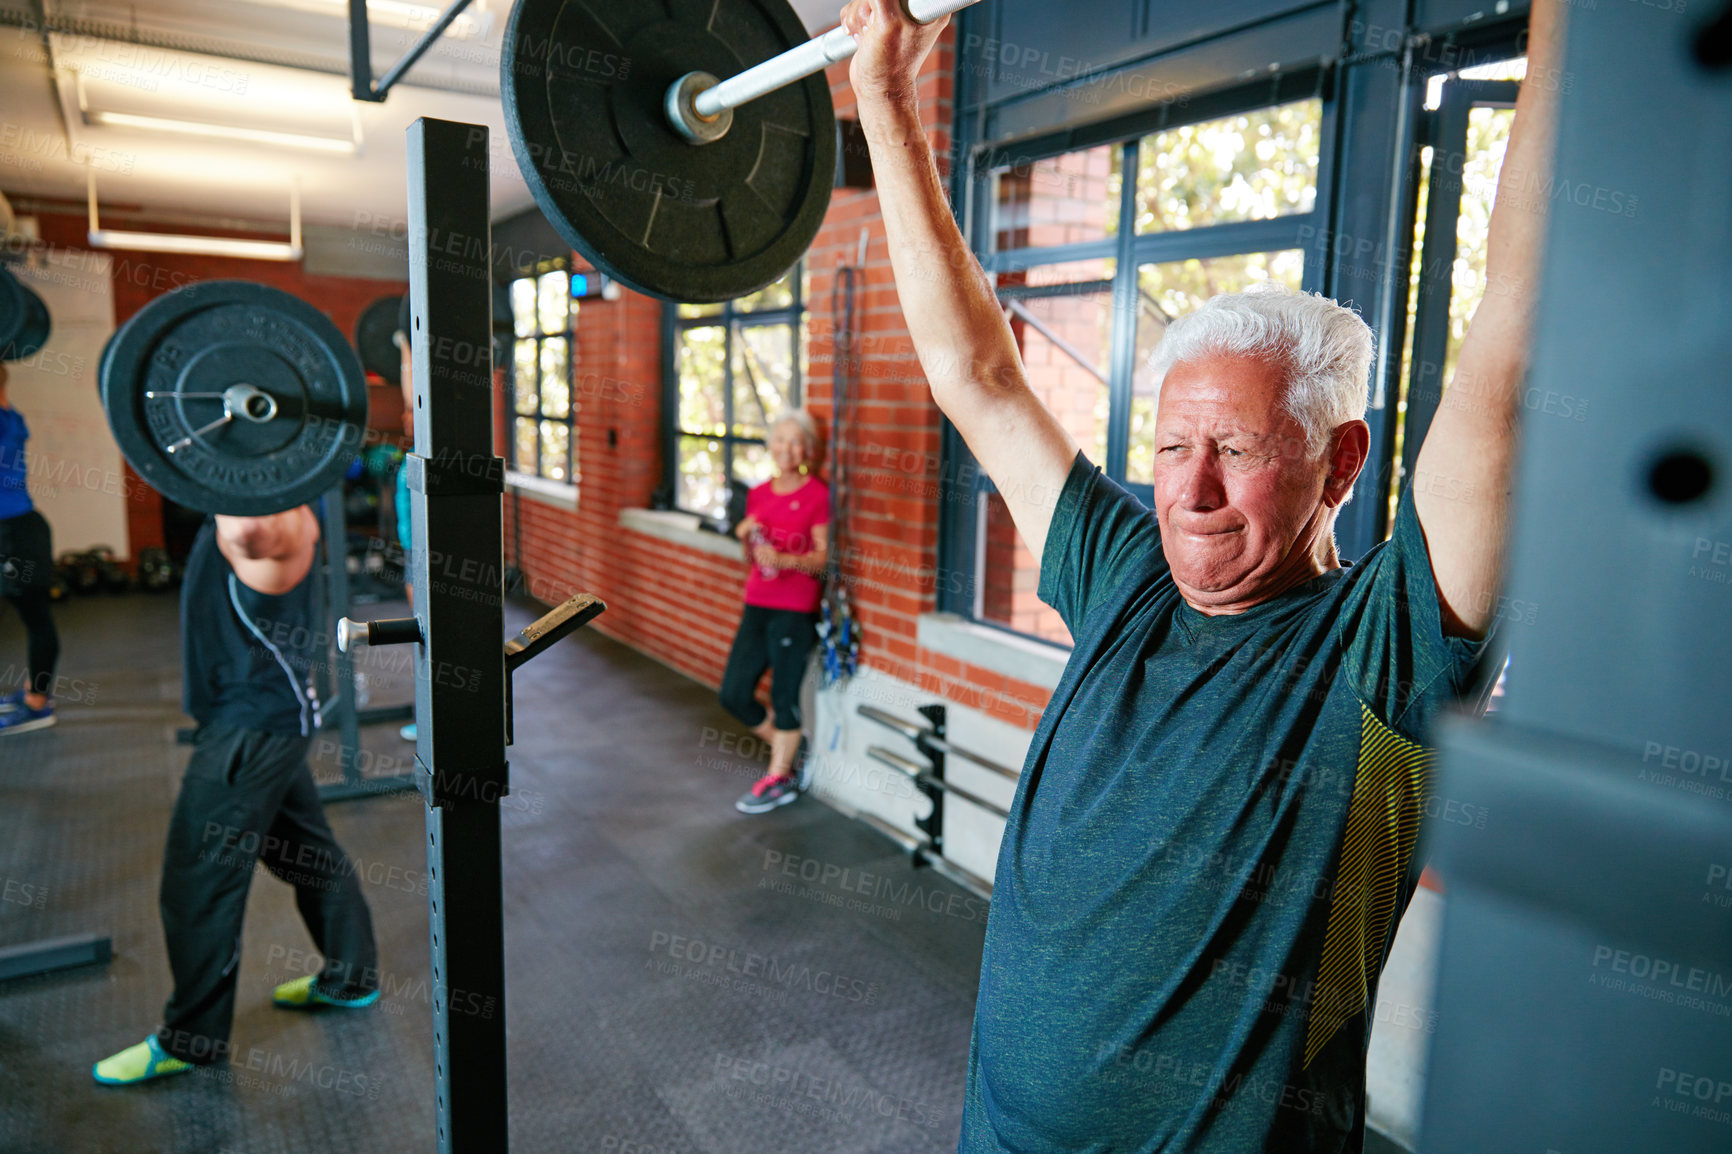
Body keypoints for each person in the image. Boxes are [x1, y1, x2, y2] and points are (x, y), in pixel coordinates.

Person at [838, 0, 1558, 1148]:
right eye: (1172, 446)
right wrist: (882, 94)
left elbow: (1515, 357)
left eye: (1238, 449)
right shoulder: (1124, 570)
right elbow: (976, 371)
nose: (1190, 490)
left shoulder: (1386, 652)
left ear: (1339, 461)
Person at [93, 505, 381, 1085]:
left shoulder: (270, 515)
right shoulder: (264, 502)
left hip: (250, 727)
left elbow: (252, 534)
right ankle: (352, 976)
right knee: (304, 851)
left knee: (196, 878)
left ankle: (192, 1041)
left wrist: (230, 468)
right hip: (264, 717)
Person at [723, 409, 830, 814]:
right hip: (758, 603)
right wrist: (746, 537)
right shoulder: (758, 494)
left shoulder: (818, 494)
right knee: (733, 693)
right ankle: (789, 748)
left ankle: (779, 776)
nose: (787, 448)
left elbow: (822, 560)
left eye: (796, 440)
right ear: (770, 446)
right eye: (780, 440)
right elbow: (751, 555)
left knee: (784, 697)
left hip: (795, 607)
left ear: (807, 449)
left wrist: (785, 559)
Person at [0, 361, 60, 734]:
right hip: (19, 528)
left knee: (36, 618)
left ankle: (39, 703)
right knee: (31, 616)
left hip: (14, 534)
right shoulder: (11, 415)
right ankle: (33, 692)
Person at [393, 296, 417, 742]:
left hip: (426, 557)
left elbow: (411, 382)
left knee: (426, 635)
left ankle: (433, 718)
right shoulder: (409, 460)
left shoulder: (423, 459)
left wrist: (405, 349)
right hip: (416, 553)